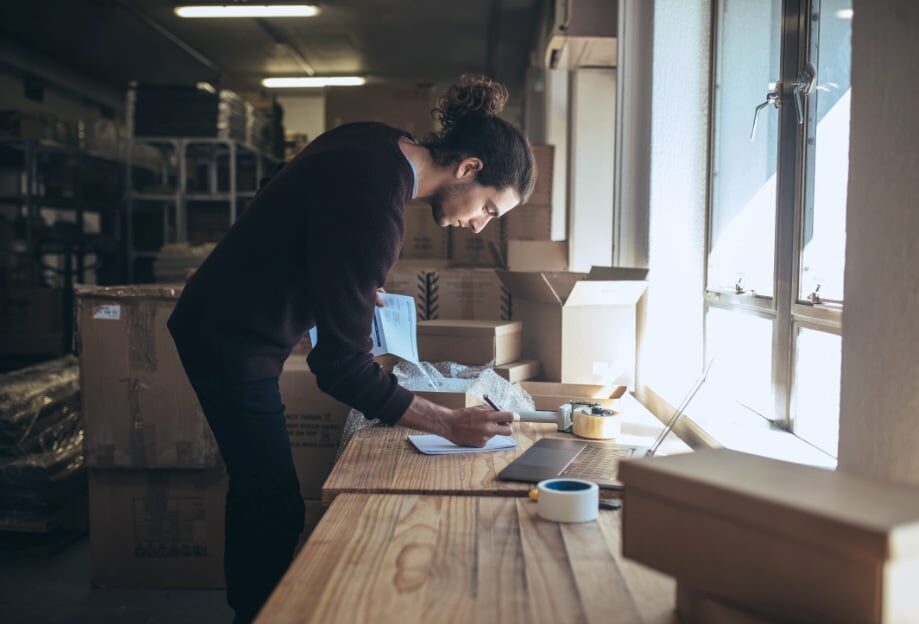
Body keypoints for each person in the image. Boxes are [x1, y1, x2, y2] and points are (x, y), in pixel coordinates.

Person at [167, 74, 535, 622]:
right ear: (468, 168)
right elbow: (339, 367)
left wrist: (337, 275)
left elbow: (281, 183)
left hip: (225, 318)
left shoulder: (376, 140)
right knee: (271, 503)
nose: (480, 227)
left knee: (259, 493)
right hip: (229, 338)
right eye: (488, 208)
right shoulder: (377, 205)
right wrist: (448, 423)